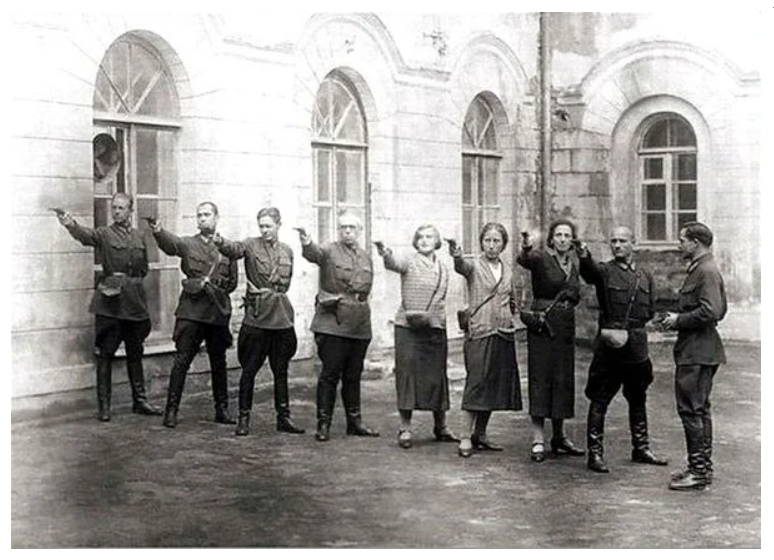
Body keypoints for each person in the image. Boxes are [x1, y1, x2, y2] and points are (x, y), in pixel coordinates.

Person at [55, 193, 162, 421]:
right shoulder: (104, 234)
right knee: (105, 354)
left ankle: (140, 401)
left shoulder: (139, 235)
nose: (116, 212)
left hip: (134, 301)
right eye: (114, 208)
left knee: (135, 351)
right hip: (110, 302)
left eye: (121, 208)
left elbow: (143, 269)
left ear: (130, 211)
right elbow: (86, 235)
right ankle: (104, 406)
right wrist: (70, 223)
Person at [577, 226, 668, 473]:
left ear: (633, 243)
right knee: (600, 399)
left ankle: (641, 448)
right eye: (613, 241)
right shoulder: (605, 271)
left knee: (638, 398)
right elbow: (589, 271)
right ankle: (595, 454)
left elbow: (649, 310)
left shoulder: (645, 275)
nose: (617, 245)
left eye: (622, 241)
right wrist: (583, 254)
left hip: (637, 346)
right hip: (611, 346)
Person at [214, 207, 305, 436]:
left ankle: (283, 417)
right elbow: (234, 249)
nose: (264, 230)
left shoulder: (287, 251)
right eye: (261, 226)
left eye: (268, 226)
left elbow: (286, 283)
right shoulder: (251, 245)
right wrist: (220, 241)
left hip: (281, 317)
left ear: (278, 225)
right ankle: (244, 418)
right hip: (257, 318)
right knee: (250, 370)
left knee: (281, 370)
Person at [148, 202, 239, 428]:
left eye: (207, 215)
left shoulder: (227, 248)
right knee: (181, 360)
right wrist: (158, 231)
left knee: (218, 362)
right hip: (191, 311)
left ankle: (222, 410)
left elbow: (232, 284)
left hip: (216, 312)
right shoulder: (188, 244)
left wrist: (214, 289)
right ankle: (171, 411)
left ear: (217, 218)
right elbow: (172, 245)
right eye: (199, 215)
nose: (202, 219)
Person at [298, 212, 380, 442]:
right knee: (330, 374)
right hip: (333, 322)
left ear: (359, 231)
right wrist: (306, 241)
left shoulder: (366, 257)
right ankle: (323, 423)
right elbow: (313, 253)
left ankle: (354, 422)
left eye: (352, 228)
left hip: (359, 323)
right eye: (343, 227)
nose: (347, 231)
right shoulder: (329, 251)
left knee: (354, 375)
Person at [376, 224, 459, 449]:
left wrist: (432, 318)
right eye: (420, 237)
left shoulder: (442, 267)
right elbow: (393, 263)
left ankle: (440, 426)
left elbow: (441, 299)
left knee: (437, 376)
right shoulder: (409, 261)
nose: (424, 240)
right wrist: (385, 252)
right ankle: (405, 427)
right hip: (408, 327)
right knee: (407, 376)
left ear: (437, 241)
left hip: (434, 327)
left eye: (429, 236)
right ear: (415, 241)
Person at [661, 222, 727, 491]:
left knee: (691, 410)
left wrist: (679, 320)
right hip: (699, 348)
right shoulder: (703, 269)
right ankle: (700, 468)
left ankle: (699, 472)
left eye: (682, 241)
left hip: (697, 351)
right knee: (698, 409)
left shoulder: (705, 271)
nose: (679, 245)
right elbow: (719, 310)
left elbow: (712, 311)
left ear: (695, 243)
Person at [450, 222, 522, 458]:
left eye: (496, 241)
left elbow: (512, 299)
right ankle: (464, 436)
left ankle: (480, 435)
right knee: (477, 384)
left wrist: (513, 318)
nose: (491, 246)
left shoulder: (508, 269)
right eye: (487, 241)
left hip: (503, 332)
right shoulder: (474, 266)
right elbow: (461, 266)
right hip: (480, 330)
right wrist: (456, 254)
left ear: (503, 244)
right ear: (481, 242)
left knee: (493, 385)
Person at [516, 219, 584, 462]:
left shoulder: (573, 263)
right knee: (541, 378)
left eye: (567, 235)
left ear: (572, 239)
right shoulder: (542, 258)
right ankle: (537, 439)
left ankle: (559, 436)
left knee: (562, 380)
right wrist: (525, 245)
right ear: (551, 239)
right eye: (558, 235)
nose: (563, 239)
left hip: (565, 329)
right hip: (543, 327)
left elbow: (576, 293)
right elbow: (525, 259)